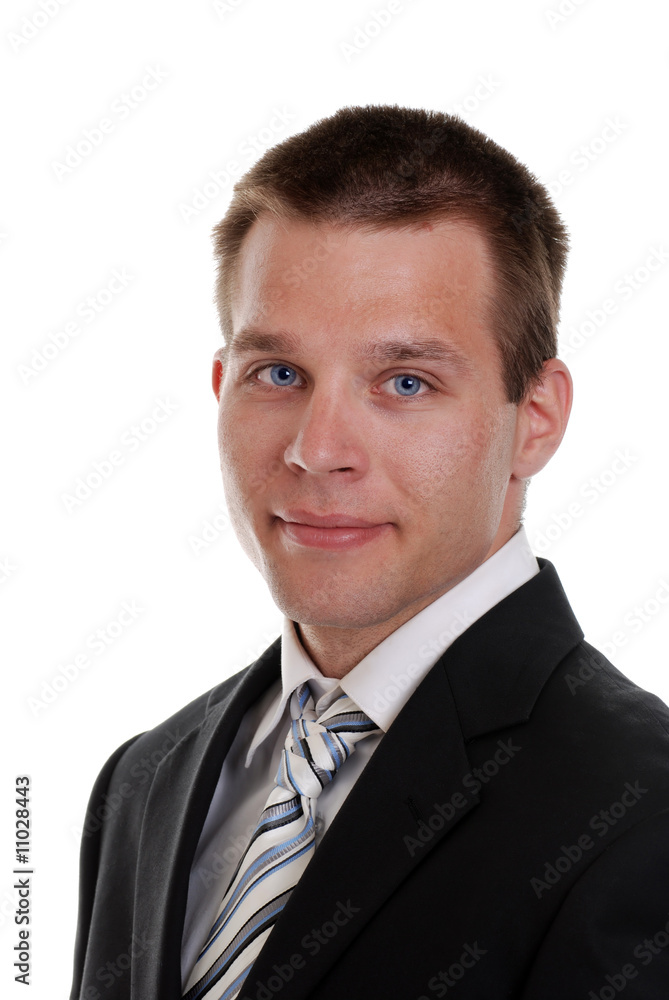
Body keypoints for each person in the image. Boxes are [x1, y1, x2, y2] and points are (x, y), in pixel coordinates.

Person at [69, 105, 669, 1000]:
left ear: (534, 420)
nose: (318, 447)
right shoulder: (144, 779)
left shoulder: (640, 815)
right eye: (277, 374)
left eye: (404, 382)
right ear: (220, 387)